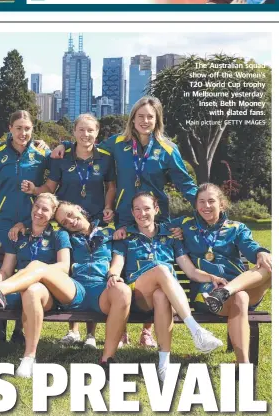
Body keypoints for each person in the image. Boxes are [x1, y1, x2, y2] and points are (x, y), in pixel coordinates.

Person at [52, 96, 196, 348]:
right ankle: (122, 324)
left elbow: (185, 183)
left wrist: (207, 208)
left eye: (150, 116)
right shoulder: (117, 143)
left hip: (153, 215)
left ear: (157, 120)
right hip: (124, 215)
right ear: (132, 119)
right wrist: (65, 143)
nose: (145, 121)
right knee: (125, 263)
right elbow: (87, 142)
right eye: (140, 116)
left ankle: (147, 330)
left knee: (154, 262)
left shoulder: (168, 148)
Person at [19, 113, 116, 349]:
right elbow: (50, 187)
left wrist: (107, 206)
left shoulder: (105, 157)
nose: (86, 135)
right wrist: (35, 191)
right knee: (72, 269)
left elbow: (111, 186)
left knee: (92, 270)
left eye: (90, 130)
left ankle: (91, 334)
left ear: (97, 132)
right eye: (81, 130)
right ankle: (73, 329)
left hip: (90, 221)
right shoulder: (62, 157)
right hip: (66, 220)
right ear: (74, 132)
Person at [0, 194, 72, 377]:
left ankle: (29, 358)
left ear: (54, 213)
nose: (39, 212)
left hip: (45, 293)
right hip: (14, 290)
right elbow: (6, 271)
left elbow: (64, 267)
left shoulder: (59, 235)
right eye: (36, 207)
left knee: (32, 290)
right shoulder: (19, 236)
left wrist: (40, 272)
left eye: (45, 209)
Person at [112, 192, 225, 380]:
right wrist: (114, 275)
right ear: (132, 213)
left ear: (156, 209)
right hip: (138, 297)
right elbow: (117, 262)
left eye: (147, 208)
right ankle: (196, 330)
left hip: (166, 299)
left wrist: (211, 277)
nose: (142, 213)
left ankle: (164, 365)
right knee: (162, 270)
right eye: (137, 209)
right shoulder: (126, 236)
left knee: (161, 295)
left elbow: (190, 271)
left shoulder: (170, 235)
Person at [176, 183, 271, 363]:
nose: (206, 206)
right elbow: (151, 223)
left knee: (270, 264)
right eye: (201, 202)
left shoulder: (236, 228)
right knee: (240, 298)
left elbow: (249, 246)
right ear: (196, 205)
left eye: (211, 201)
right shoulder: (185, 225)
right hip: (207, 291)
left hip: (239, 285)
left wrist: (260, 251)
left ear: (222, 204)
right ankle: (243, 365)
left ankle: (227, 291)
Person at [0, 110, 53, 343]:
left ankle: (21, 329)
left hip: (34, 223)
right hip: (4, 223)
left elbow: (53, 185)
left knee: (27, 272)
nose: (23, 133)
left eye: (28, 128)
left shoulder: (43, 153)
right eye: (19, 128)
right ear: (10, 129)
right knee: (4, 270)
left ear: (33, 129)